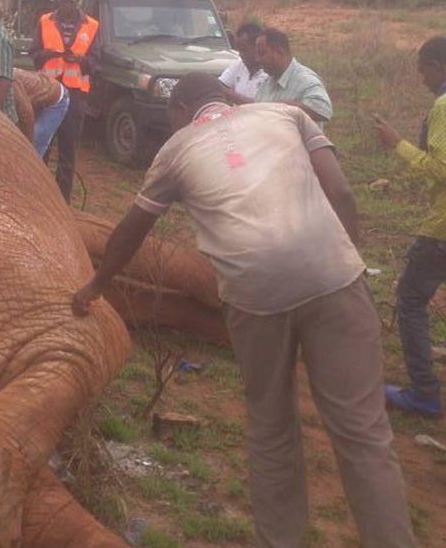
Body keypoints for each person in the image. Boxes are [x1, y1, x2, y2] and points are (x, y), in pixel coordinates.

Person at [73, 73, 416, 548]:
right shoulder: (287, 115)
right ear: (225, 96)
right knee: (364, 435)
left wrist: (96, 284)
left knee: (273, 430)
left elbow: (133, 230)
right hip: (336, 278)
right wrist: (347, 263)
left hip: (255, 296)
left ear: (180, 111)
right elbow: (342, 194)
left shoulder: (175, 149)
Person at [374, 36, 446, 418]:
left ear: (438, 66)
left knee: (411, 301)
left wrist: (397, 143)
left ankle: (424, 393)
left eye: (423, 69)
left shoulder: (444, 105)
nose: (420, 77)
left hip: (442, 229)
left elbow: (441, 169)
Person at [29, 0, 99, 203]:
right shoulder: (45, 21)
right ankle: (37, 195)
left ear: (77, 1)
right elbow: (34, 54)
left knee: (68, 152)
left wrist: (81, 60)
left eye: (69, 2)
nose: (65, 6)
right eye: (62, 1)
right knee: (42, 145)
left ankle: (61, 202)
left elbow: (97, 62)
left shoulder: (92, 25)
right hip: (48, 93)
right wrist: (46, 55)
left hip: (75, 95)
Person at [251, 27, 333, 128]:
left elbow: (324, 110)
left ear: (280, 52)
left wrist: (277, 108)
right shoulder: (267, 83)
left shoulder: (306, 80)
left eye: (262, 54)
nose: (257, 59)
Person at [12, 68, 69, 157]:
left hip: (56, 100)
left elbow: (26, 115)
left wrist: (28, 145)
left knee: (33, 148)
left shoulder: (10, 83)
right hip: (36, 99)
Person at [220, 22, 268, 102]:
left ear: (256, 46)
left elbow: (260, 105)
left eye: (243, 50)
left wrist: (231, 95)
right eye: (238, 50)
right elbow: (219, 85)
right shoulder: (239, 65)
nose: (240, 54)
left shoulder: (270, 73)